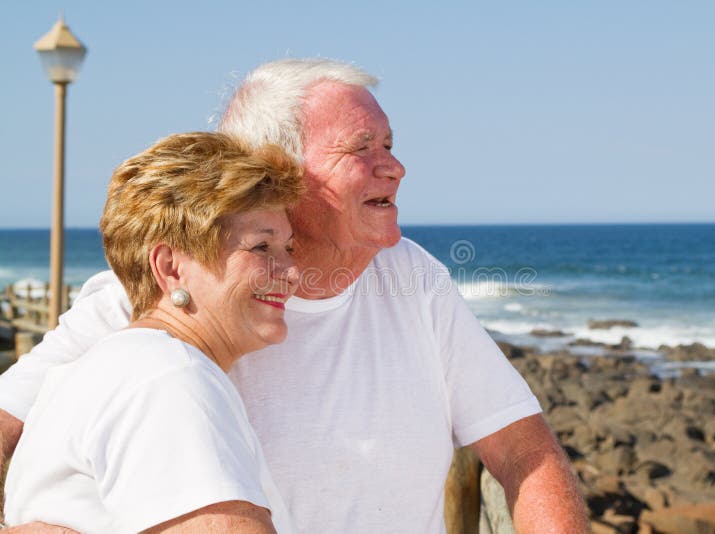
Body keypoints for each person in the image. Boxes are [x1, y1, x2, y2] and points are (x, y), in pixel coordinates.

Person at [0, 59, 589, 533]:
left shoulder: (415, 277)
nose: (396, 168)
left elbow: (523, 454)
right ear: (274, 168)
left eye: (390, 144)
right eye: (362, 149)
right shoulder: (152, 305)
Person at [2, 132, 303, 533]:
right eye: (262, 248)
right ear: (171, 267)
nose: (292, 273)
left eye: (289, 249)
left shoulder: (115, 369)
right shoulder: (169, 376)